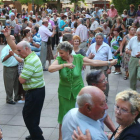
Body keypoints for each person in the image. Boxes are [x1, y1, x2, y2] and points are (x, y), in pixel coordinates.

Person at [48, 41, 117, 140]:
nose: (60, 54)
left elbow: (93, 62)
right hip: (65, 93)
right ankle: (61, 138)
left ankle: (80, 133)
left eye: (62, 52)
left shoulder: (78, 58)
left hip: (78, 92)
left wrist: (109, 63)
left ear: (68, 51)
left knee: (80, 115)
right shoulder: (60, 60)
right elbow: (50, 69)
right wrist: (64, 65)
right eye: (59, 52)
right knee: (63, 116)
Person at [2, 27, 45, 140]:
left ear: (26, 49)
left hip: (35, 93)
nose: (18, 53)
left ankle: (37, 136)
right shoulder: (29, 55)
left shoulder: (30, 61)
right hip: (36, 91)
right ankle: (35, 134)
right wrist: (7, 36)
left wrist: (20, 74)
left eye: (20, 51)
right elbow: (15, 48)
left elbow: (21, 80)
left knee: (28, 116)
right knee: (32, 116)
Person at [72, 89, 140, 140]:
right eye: (117, 107)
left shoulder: (132, 136)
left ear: (135, 114)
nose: (118, 112)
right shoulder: (125, 123)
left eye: (124, 110)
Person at [86, 33, 112, 97]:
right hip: (93, 66)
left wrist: (109, 68)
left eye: (100, 38)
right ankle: (94, 94)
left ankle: (105, 95)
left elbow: (110, 59)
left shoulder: (106, 46)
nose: (98, 39)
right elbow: (86, 56)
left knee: (104, 81)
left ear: (102, 39)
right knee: (93, 81)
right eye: (97, 38)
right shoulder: (92, 46)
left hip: (103, 67)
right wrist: (90, 57)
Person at [1, 35, 20, 104]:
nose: (13, 41)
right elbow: (2, 60)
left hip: (16, 67)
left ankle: (17, 97)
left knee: (16, 83)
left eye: (14, 39)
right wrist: (9, 55)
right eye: (12, 39)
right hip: (8, 68)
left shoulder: (16, 47)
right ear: (7, 40)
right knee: (9, 85)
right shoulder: (5, 49)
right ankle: (9, 99)